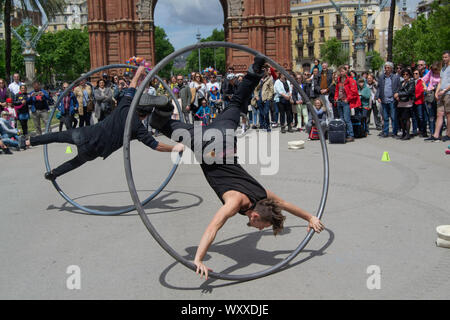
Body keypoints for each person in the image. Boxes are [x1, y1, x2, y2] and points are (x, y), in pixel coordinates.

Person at [145, 56, 324, 279]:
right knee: (164, 126)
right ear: (256, 216)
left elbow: (285, 205)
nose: (259, 231)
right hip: (208, 148)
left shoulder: (263, 195)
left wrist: (310, 218)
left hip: (225, 139)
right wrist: (198, 258)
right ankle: (158, 113)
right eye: (262, 227)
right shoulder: (236, 202)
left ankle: (255, 70)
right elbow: (213, 227)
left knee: (235, 103)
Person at [26, 66, 184, 180]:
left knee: (56, 136)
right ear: (146, 115)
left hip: (84, 134)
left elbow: (132, 87)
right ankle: (54, 174)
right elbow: (156, 145)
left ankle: (29, 141)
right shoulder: (137, 128)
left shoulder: (126, 104)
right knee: (76, 162)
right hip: (94, 150)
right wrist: (175, 148)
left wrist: (139, 72)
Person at [425, 51, 450, 142]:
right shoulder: (443, 69)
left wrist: (445, 90)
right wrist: (437, 92)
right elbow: (440, 82)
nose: (444, 59)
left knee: (448, 114)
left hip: (448, 93)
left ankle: (448, 134)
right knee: (439, 114)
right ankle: (435, 135)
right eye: (443, 57)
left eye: (446, 57)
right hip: (441, 94)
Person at [334, 65, 361, 142]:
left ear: (346, 71)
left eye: (342, 71)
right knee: (341, 119)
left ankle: (351, 135)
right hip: (339, 101)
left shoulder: (350, 80)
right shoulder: (339, 80)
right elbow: (337, 90)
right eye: (340, 71)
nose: (341, 73)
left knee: (347, 119)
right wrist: (335, 98)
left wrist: (347, 99)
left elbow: (354, 92)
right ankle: (343, 134)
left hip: (346, 102)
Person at [376, 62, 401, 138]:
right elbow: (379, 88)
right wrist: (378, 97)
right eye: (385, 67)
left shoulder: (396, 77)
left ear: (391, 69)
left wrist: (398, 94)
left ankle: (394, 132)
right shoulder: (381, 77)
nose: (386, 69)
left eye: (388, 68)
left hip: (392, 100)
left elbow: (399, 88)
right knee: (385, 117)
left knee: (393, 117)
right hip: (384, 99)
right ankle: (385, 132)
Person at [421, 62, 441, 137]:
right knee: (431, 115)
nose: (435, 71)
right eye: (433, 69)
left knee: (439, 115)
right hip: (430, 95)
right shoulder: (430, 73)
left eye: (436, 69)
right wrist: (425, 87)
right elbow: (423, 80)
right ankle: (432, 133)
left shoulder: (442, 73)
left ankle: (439, 133)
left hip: (439, 95)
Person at [253, 67, 274, 132]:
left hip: (266, 98)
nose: (263, 71)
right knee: (261, 113)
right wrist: (256, 97)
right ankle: (262, 125)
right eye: (262, 70)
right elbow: (255, 89)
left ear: (267, 71)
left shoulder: (269, 79)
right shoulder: (258, 79)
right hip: (259, 98)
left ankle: (267, 126)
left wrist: (269, 98)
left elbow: (271, 89)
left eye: (264, 70)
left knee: (266, 112)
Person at [396, 68, 415, 140]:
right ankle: (403, 132)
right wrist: (397, 96)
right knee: (401, 119)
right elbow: (398, 90)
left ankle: (407, 134)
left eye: (407, 74)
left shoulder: (411, 82)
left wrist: (398, 94)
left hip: (407, 103)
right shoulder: (402, 83)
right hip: (400, 102)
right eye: (403, 74)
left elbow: (409, 92)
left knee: (407, 119)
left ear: (409, 75)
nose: (405, 76)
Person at [412, 69, 426, 137]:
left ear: (419, 74)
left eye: (416, 73)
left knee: (420, 117)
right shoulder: (412, 81)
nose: (415, 75)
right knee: (414, 117)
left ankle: (422, 130)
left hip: (419, 101)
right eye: (414, 73)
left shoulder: (421, 81)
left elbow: (421, 91)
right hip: (413, 102)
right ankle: (415, 130)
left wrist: (415, 97)